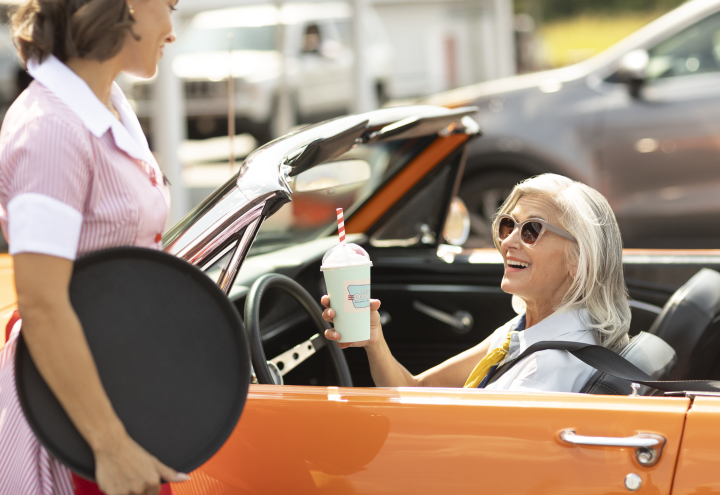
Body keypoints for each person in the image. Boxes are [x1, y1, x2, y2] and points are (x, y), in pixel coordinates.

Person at [0, 1, 190, 494]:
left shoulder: (111, 106)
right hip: (76, 423)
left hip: (124, 395)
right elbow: (43, 302)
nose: (173, 30)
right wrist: (109, 445)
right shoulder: (51, 130)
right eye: (170, 6)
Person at [322, 174, 631, 393]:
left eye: (531, 230)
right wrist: (374, 339)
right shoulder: (526, 329)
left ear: (579, 261)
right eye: (508, 224)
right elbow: (416, 388)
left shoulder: (543, 373)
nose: (508, 241)